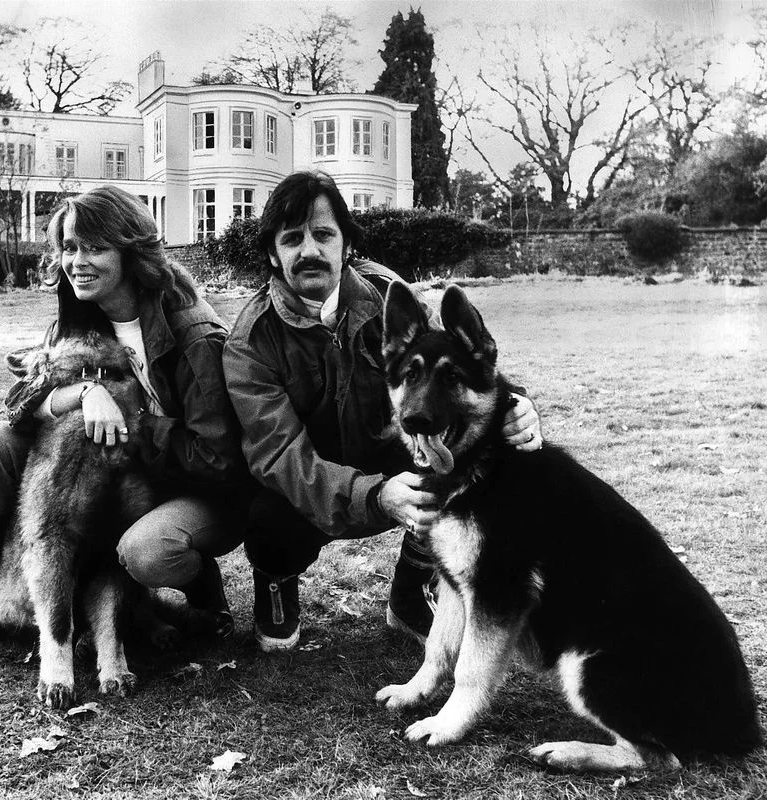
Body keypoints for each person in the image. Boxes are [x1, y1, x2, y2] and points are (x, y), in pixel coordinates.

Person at [0, 186, 249, 656]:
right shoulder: (79, 315)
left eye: (95, 247)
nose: (77, 261)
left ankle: (199, 586)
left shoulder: (193, 334)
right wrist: (86, 392)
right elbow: (19, 403)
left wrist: (132, 418)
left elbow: (214, 459)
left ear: (132, 253)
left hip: (191, 483)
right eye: (69, 247)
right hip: (126, 466)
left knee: (145, 550)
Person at [222, 171, 542, 653]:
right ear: (273, 253)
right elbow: (282, 456)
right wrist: (374, 496)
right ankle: (276, 581)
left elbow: (450, 364)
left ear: (346, 243)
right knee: (270, 510)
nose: (309, 250)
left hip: (388, 451)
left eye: (324, 234)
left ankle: (413, 589)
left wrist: (516, 404)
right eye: (292, 239)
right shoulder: (249, 342)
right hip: (308, 480)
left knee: (469, 457)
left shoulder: (384, 294)